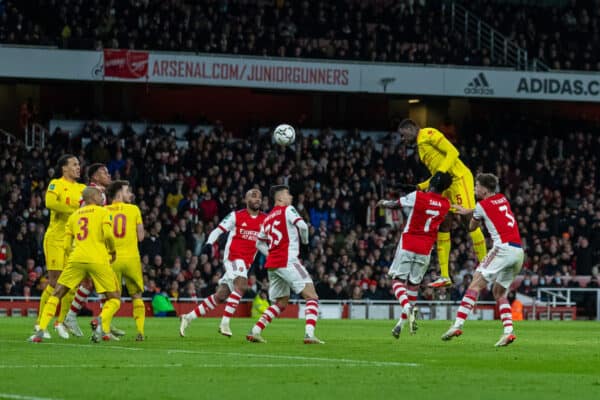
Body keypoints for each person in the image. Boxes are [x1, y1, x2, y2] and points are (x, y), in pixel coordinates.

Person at [398, 119, 487, 288]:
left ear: (411, 128)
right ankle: (445, 275)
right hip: (447, 184)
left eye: (403, 135)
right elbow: (438, 174)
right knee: (443, 224)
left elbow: (453, 152)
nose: (403, 139)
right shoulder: (421, 148)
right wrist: (418, 186)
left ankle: (485, 265)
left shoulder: (428, 134)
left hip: (459, 179)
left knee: (467, 220)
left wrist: (439, 173)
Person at [29, 186, 121, 342]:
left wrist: (72, 257)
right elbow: (108, 235)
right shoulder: (103, 212)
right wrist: (112, 251)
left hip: (76, 258)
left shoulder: (73, 216)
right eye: (99, 195)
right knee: (114, 298)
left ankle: (41, 329)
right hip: (98, 258)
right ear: (92, 197)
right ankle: (100, 320)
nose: (102, 197)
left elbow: (66, 246)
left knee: (57, 293)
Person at [441, 173, 524, 347]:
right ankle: (508, 331)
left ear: (484, 189)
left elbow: (472, 227)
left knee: (475, 284)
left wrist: (466, 215)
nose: (474, 189)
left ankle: (457, 325)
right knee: (499, 292)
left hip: (502, 249)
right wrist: (469, 211)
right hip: (518, 252)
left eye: (476, 186)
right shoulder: (502, 198)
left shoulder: (481, 206)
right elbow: (485, 208)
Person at [179, 188, 266, 337]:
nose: (257, 199)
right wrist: (208, 244)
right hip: (233, 257)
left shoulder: (265, 220)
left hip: (245, 264)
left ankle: (188, 317)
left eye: (259, 197)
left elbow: (265, 243)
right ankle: (224, 323)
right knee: (242, 285)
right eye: (253, 196)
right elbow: (218, 230)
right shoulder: (236, 216)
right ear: (246, 200)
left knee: (220, 295)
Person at [377, 171, 452, 339]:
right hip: (426, 249)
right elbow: (445, 225)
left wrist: (383, 203)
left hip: (409, 242)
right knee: (412, 286)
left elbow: (395, 204)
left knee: (397, 280)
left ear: (431, 183)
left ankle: (407, 307)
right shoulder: (446, 204)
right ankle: (400, 324)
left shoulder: (419, 196)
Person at [246, 185, 324, 344]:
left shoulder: (267, 218)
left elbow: (259, 243)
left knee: (281, 302)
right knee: (312, 296)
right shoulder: (288, 210)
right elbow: (302, 225)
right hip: (288, 260)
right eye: (288, 194)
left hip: (273, 265)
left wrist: (271, 253)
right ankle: (309, 334)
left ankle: (255, 331)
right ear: (280, 198)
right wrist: (306, 243)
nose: (291, 197)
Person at [63, 163, 123, 337]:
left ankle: (99, 322)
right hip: (90, 246)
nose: (108, 174)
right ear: (95, 177)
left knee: (90, 284)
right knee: (104, 287)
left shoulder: (99, 194)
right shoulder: (93, 194)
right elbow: (84, 216)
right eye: (104, 172)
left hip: (92, 244)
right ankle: (97, 323)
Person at [35, 154, 86, 339]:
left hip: (73, 242)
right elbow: (50, 203)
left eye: (79, 164)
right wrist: (75, 210)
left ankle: (60, 322)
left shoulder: (82, 188)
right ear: (64, 168)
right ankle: (39, 323)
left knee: (71, 285)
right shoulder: (56, 183)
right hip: (56, 239)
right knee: (55, 282)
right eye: (74, 164)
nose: (78, 167)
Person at [103, 180, 146, 340]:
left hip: (112, 259)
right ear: (120, 193)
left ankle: (105, 329)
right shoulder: (134, 209)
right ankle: (140, 331)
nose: (131, 194)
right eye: (128, 191)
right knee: (137, 296)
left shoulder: (104, 210)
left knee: (113, 298)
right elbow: (141, 237)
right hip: (131, 259)